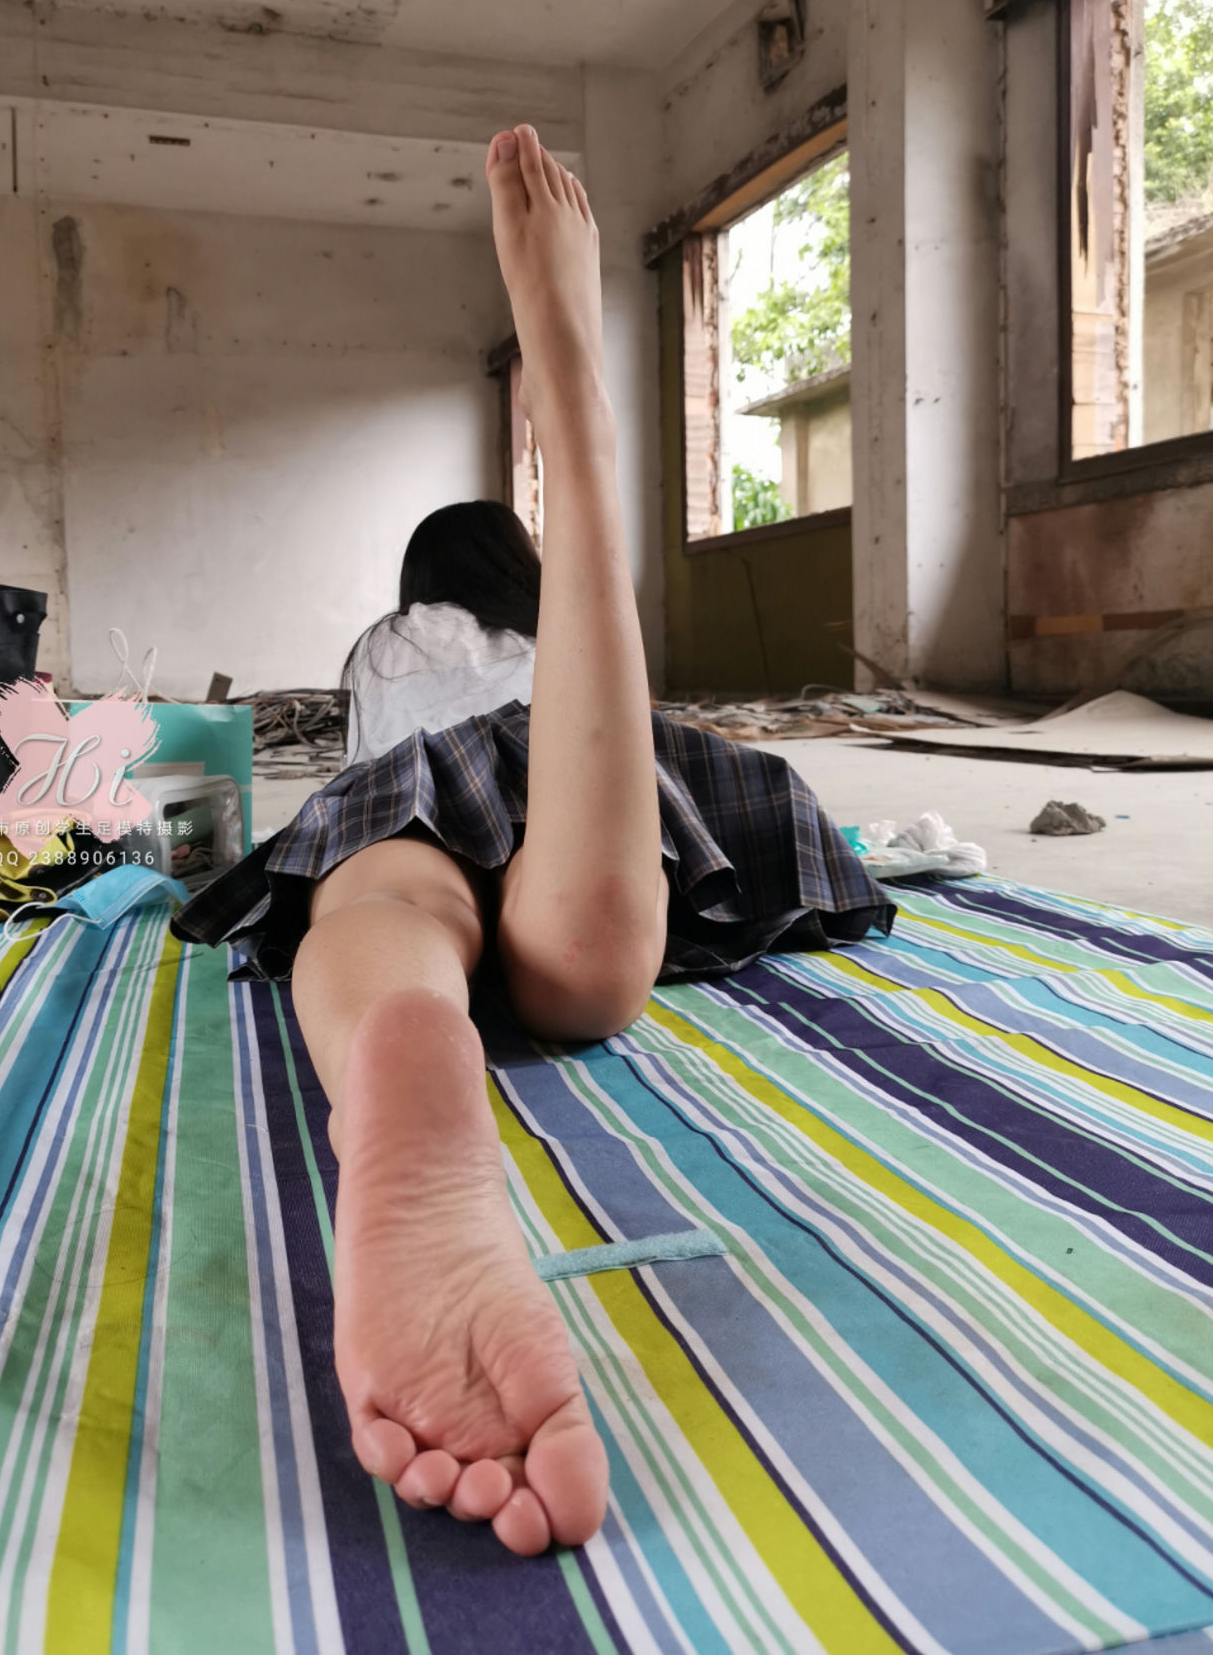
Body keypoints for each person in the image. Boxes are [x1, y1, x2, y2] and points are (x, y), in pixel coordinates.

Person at [172, 126, 892, 1557]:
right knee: (583, 966)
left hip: (419, 788)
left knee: (386, 899)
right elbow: (577, 716)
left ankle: (402, 1047)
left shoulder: (388, 646)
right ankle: (581, 430)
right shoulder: (534, 633)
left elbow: (378, 757)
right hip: (589, 758)